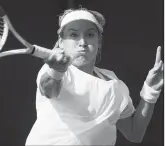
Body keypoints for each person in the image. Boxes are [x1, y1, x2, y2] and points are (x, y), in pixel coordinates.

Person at [25, 8, 164, 145]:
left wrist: (151, 91)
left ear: (99, 42)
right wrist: (56, 70)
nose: (83, 42)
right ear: (61, 42)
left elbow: (134, 133)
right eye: (74, 35)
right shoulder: (53, 71)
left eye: (90, 35)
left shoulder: (115, 83)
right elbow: (48, 90)